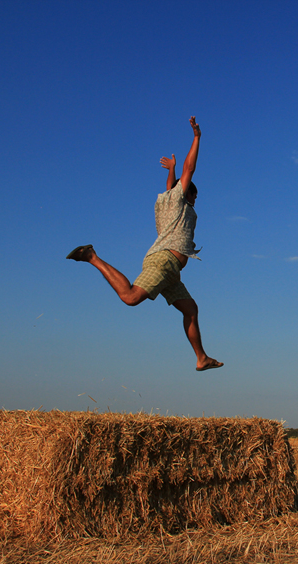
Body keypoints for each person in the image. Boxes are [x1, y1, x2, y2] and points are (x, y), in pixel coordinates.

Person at [66, 117, 223, 372]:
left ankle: (201, 358)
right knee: (130, 297)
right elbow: (189, 170)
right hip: (163, 262)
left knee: (190, 309)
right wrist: (196, 138)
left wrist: (170, 170)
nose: (196, 199)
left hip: (171, 271)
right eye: (195, 194)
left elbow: (171, 186)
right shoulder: (180, 199)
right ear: (188, 193)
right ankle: (91, 256)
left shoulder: (168, 201)